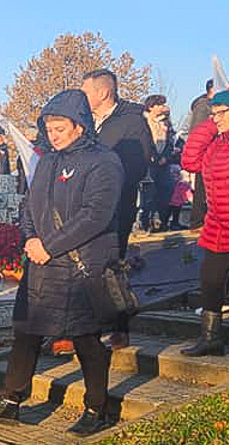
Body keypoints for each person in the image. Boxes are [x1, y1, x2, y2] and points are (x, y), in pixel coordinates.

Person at [0, 90, 123, 436]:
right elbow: (29, 206)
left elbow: (95, 216)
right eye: (49, 128)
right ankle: (11, 400)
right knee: (25, 331)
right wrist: (29, 239)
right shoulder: (48, 161)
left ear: (79, 126)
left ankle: (97, 407)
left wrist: (50, 245)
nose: (53, 135)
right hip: (42, 262)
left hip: (79, 262)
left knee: (85, 337)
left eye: (59, 128)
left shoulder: (104, 162)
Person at [80, 69, 153, 350]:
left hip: (116, 207)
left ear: (103, 92)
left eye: (86, 92)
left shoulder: (131, 123)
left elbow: (137, 167)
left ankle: (119, 328)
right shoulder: (86, 123)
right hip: (86, 207)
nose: (82, 97)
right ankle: (86, 327)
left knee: (113, 266)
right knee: (86, 267)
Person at [180, 90, 229, 357]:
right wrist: (208, 126)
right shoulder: (217, 141)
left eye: (222, 113)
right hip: (219, 225)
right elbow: (190, 161)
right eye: (213, 114)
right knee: (211, 280)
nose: (216, 118)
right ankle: (211, 338)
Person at [141, 95, 181, 231]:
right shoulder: (143, 120)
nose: (163, 107)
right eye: (160, 105)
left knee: (167, 188)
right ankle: (145, 222)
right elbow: (144, 140)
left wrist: (166, 156)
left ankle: (161, 221)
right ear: (151, 106)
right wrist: (153, 156)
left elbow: (171, 140)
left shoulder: (165, 122)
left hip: (164, 162)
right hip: (149, 162)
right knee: (149, 193)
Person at [188, 79, 215, 229]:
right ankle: (197, 221)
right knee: (202, 188)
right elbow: (198, 131)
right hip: (206, 152)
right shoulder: (203, 107)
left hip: (212, 151)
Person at [164, 166, 192, 231]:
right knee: (174, 214)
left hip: (173, 201)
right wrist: (188, 200)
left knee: (170, 214)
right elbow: (187, 194)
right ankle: (174, 224)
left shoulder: (174, 182)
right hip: (176, 202)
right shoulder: (184, 184)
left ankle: (168, 224)